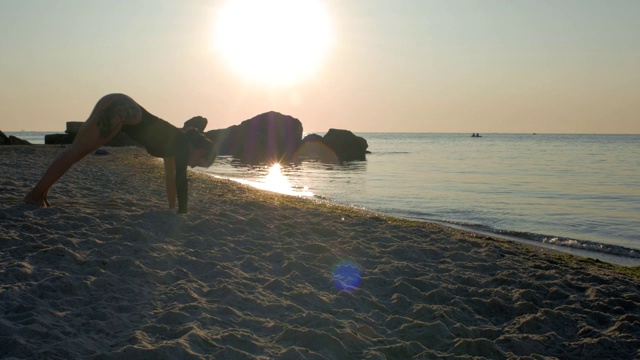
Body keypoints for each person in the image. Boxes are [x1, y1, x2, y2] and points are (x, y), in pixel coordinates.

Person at [24, 93, 216, 213]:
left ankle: (41, 193)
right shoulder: (181, 145)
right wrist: (183, 212)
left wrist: (172, 207)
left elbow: (171, 176)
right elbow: (181, 180)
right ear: (200, 150)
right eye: (198, 162)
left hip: (117, 102)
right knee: (75, 153)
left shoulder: (176, 139)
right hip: (121, 111)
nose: (193, 166)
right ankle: (35, 194)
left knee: (74, 151)